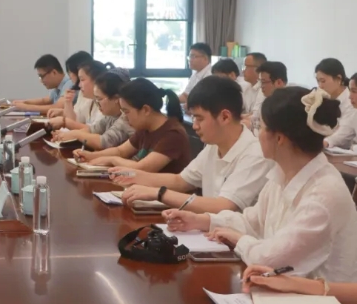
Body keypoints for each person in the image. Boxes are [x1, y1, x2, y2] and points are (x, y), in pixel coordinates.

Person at [163, 87, 357, 282]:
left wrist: (239, 239)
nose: (256, 134)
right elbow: (254, 221)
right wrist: (202, 220)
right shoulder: (284, 172)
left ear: (279, 138)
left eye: (260, 127)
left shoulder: (323, 194)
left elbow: (271, 260)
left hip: (321, 299)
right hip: (280, 290)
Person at [115, 77, 272, 213]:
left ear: (225, 117)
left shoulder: (255, 154)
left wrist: (159, 193)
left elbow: (223, 206)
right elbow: (180, 181)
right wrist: (131, 176)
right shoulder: (213, 146)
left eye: (199, 118)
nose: (195, 126)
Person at [73, 78, 191, 173]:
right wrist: (91, 156)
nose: (124, 117)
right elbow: (120, 151)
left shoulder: (173, 134)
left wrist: (112, 160)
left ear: (145, 110)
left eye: (126, 111)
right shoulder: (145, 128)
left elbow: (142, 168)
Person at [52, 71, 134, 150]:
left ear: (116, 98)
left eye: (99, 99)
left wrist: (75, 134)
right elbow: (92, 130)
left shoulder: (126, 118)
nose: (97, 103)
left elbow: (104, 142)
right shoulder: (111, 115)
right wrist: (67, 134)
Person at [46, 51, 94, 120]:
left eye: (70, 72)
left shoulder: (91, 95)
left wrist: (64, 121)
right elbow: (75, 117)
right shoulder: (81, 92)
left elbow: (87, 124)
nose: (69, 76)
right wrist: (65, 108)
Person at [325, 72, 357, 149]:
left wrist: (354, 148)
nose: (350, 96)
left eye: (354, 91)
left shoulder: (350, 109)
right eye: (350, 91)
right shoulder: (355, 114)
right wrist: (326, 142)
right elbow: (343, 133)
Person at [242, 52, 267, 117]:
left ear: (258, 69)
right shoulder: (246, 87)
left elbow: (256, 115)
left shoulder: (265, 88)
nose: (243, 71)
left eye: (246, 67)